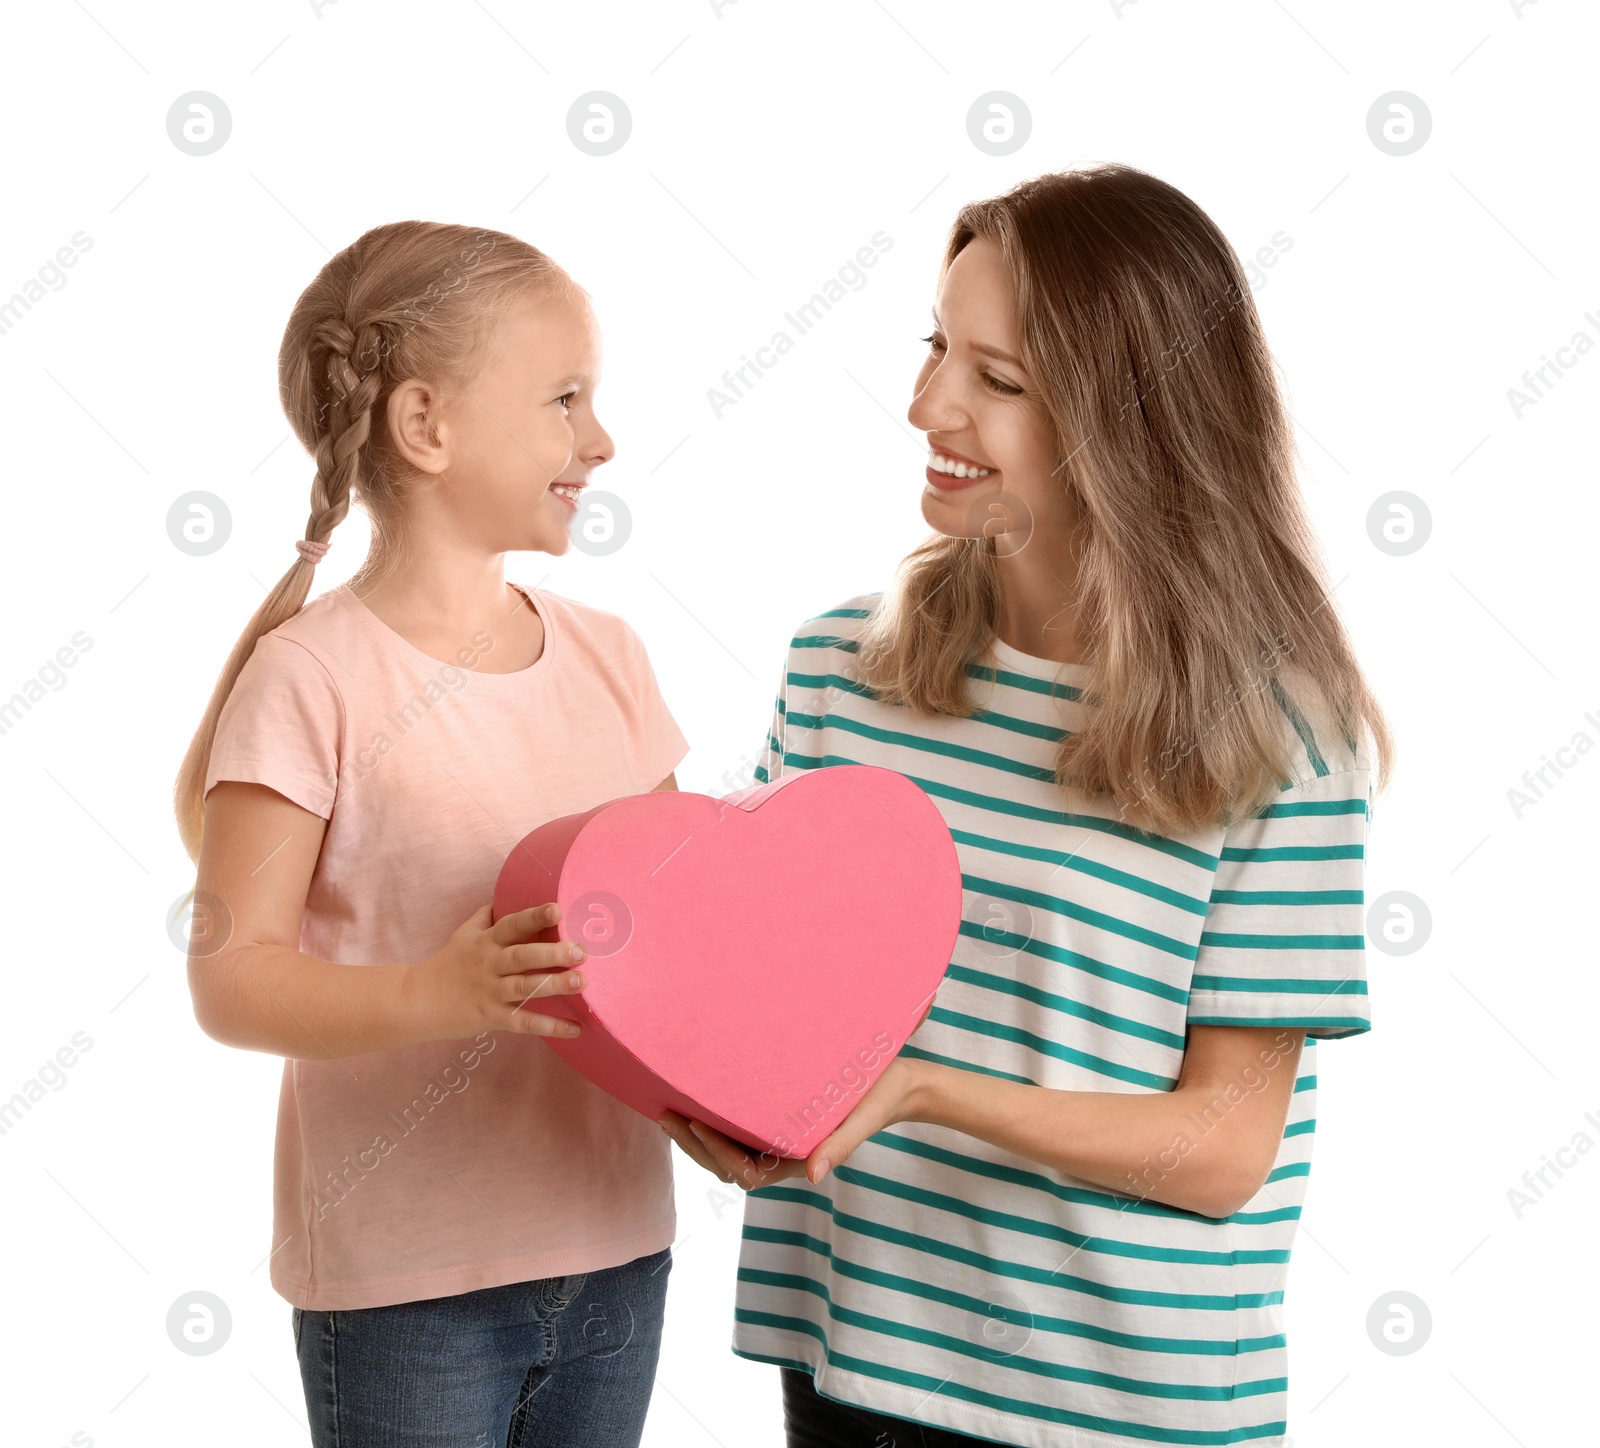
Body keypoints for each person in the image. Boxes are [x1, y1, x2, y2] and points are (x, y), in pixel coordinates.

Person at [661, 164, 1392, 1448]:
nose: (925, 403)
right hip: (847, 1352)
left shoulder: (1276, 737)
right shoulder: (840, 665)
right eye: (938, 345)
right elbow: (788, 998)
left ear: (1134, 424)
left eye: (997, 381)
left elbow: (1224, 1150)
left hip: (1106, 1401)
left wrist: (925, 1092)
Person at [173, 221, 688, 1448]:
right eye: (564, 399)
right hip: (405, 1288)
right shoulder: (312, 678)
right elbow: (231, 979)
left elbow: (678, 946)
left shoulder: (613, 659)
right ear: (425, 424)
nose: (601, 439)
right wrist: (438, 991)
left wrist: (730, 1103)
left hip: (617, 1250)